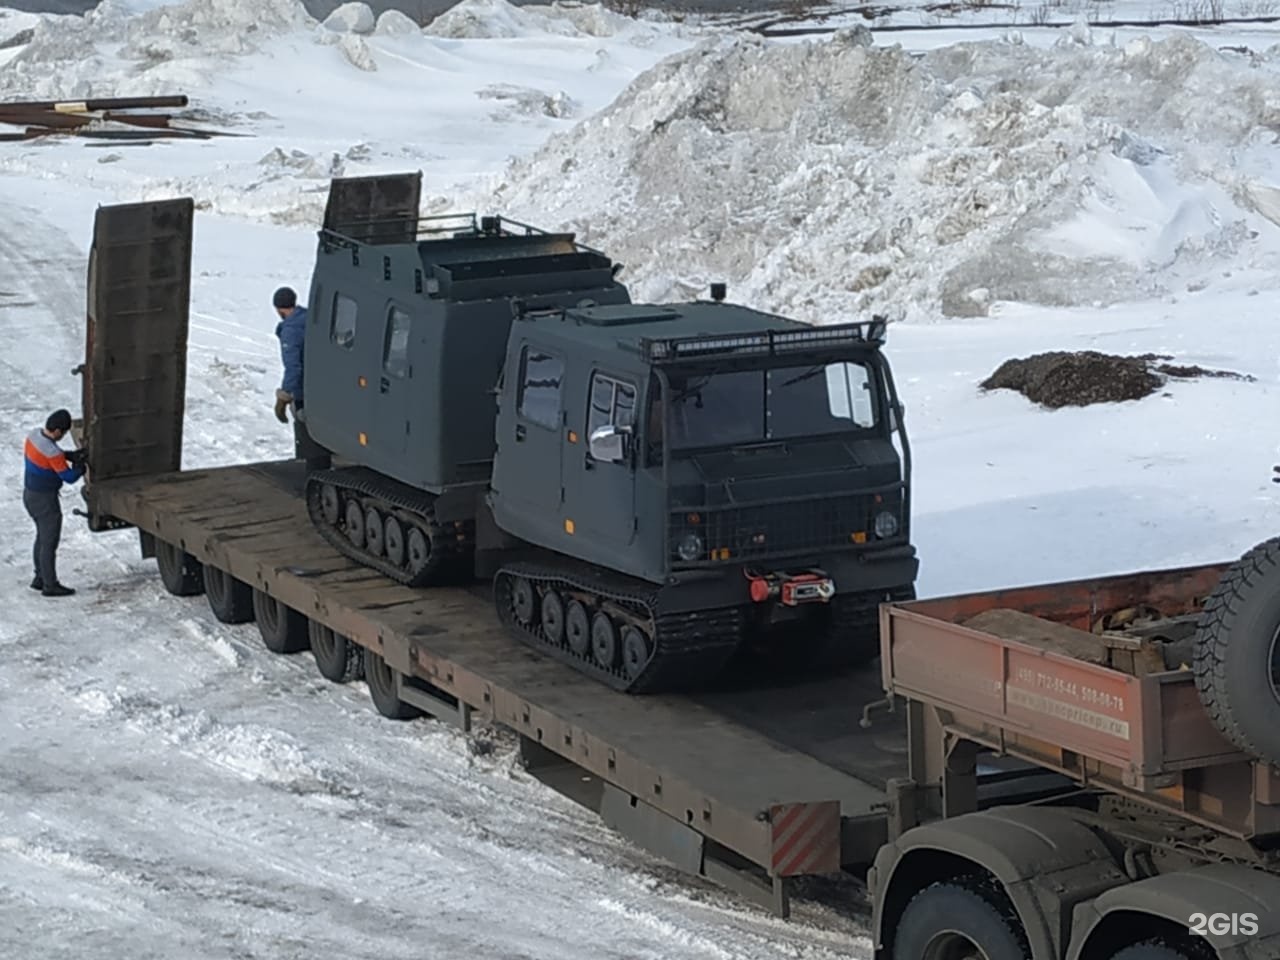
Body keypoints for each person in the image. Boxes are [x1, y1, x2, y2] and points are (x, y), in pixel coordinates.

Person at [23, 409, 86, 597]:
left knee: (41, 538)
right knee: (49, 542)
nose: (63, 436)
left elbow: (49, 456)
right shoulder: (53, 452)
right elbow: (68, 477)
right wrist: (80, 467)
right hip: (45, 500)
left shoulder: (33, 436)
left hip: (30, 495)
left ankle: (40, 577)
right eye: (64, 433)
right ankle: (50, 585)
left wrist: (69, 455)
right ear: (58, 431)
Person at [272, 286, 331, 471]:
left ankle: (316, 474)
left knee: (309, 437)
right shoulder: (310, 318)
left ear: (279, 308)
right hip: (324, 384)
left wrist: (284, 397)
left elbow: (293, 367)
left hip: (305, 392)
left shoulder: (290, 330)